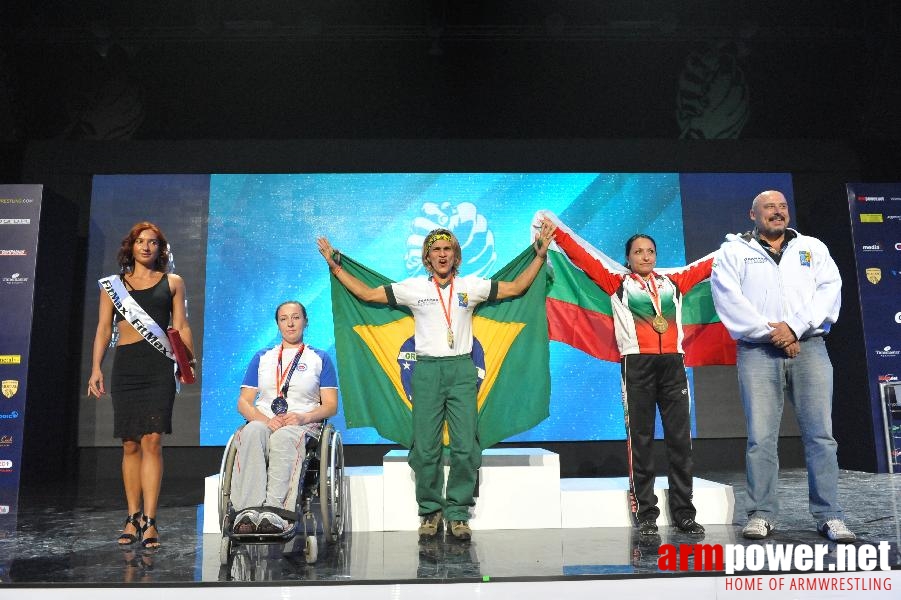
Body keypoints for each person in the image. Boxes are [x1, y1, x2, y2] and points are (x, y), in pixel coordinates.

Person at [317, 219, 555, 541]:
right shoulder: (414, 288)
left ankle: (458, 513)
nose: (442, 255)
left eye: (447, 250)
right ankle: (430, 512)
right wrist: (335, 266)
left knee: (465, 446)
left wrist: (539, 257)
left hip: (461, 371)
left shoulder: (472, 286)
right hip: (427, 372)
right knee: (425, 448)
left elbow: (516, 289)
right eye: (436, 251)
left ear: (455, 256)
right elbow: (368, 294)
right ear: (427, 258)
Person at [710, 190, 854, 542]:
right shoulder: (733, 252)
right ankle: (761, 514)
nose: (777, 212)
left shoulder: (813, 248)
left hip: (811, 348)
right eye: (769, 208)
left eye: (782, 207)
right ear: (753, 215)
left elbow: (829, 290)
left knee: (821, 436)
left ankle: (829, 515)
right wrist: (774, 334)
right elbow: (730, 300)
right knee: (761, 438)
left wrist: (795, 328)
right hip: (758, 351)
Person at [553, 225, 712, 536]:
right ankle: (646, 513)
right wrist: (557, 234)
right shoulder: (618, 284)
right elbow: (582, 258)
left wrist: (739, 246)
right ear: (627, 258)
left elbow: (706, 266)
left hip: (673, 367)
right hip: (636, 366)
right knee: (640, 441)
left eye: (650, 251)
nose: (645, 256)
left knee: (680, 442)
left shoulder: (673, 283)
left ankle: (684, 513)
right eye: (638, 252)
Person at [87, 221, 195, 549]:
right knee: (130, 443)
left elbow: (181, 324)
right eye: (140, 241)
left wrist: (187, 360)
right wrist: (95, 368)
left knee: (152, 441)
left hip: (158, 367)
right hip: (126, 368)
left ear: (161, 249)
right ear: (130, 247)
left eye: (153, 242)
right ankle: (131, 517)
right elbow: (104, 329)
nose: (146, 247)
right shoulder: (113, 286)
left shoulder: (173, 283)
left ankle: (150, 521)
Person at [229, 301, 338, 535]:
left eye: (296, 317)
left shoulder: (319, 358)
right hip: (265, 421)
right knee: (251, 432)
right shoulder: (262, 357)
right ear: (278, 324)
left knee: (286, 437)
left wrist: (303, 417)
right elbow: (243, 402)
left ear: (305, 321)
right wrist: (266, 421)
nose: (290, 323)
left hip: (301, 425)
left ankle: (276, 513)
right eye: (284, 318)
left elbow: (331, 406)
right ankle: (247, 512)